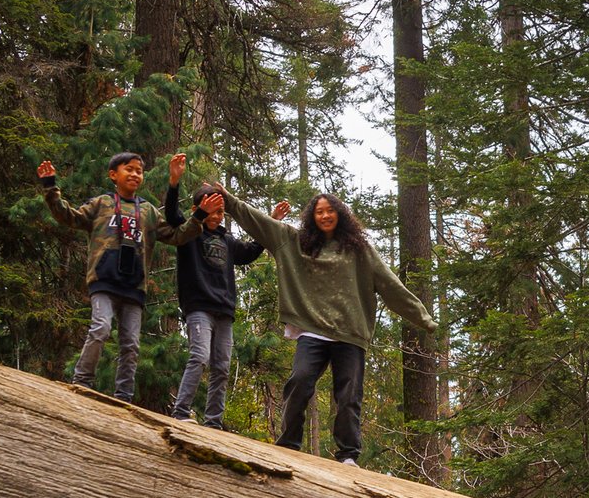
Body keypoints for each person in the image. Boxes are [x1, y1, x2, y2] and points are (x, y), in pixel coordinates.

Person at [218, 187, 430, 466]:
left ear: (340, 215)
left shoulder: (360, 250)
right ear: (311, 217)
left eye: (330, 211)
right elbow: (259, 221)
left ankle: (348, 454)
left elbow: (390, 284)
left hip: (350, 332)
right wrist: (229, 201)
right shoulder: (295, 242)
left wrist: (422, 317)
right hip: (312, 330)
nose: (325, 216)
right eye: (319, 212)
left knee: (349, 394)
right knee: (300, 381)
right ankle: (289, 445)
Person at [39, 151, 165, 401]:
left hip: (134, 286)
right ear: (113, 175)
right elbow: (69, 216)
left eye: (139, 171)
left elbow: (177, 234)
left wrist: (201, 217)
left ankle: (124, 396)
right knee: (101, 328)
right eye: (128, 169)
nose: (135, 174)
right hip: (104, 280)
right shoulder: (102, 204)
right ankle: (82, 381)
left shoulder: (149, 212)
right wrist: (50, 187)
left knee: (131, 344)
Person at [159, 153, 266, 429]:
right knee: (199, 356)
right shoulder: (189, 232)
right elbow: (171, 215)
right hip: (198, 307)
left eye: (220, 212)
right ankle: (181, 412)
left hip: (224, 310)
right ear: (200, 209)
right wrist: (174, 183)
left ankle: (213, 422)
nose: (217, 216)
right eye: (212, 211)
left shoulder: (227, 239)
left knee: (222, 366)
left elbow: (250, 252)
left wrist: (270, 224)